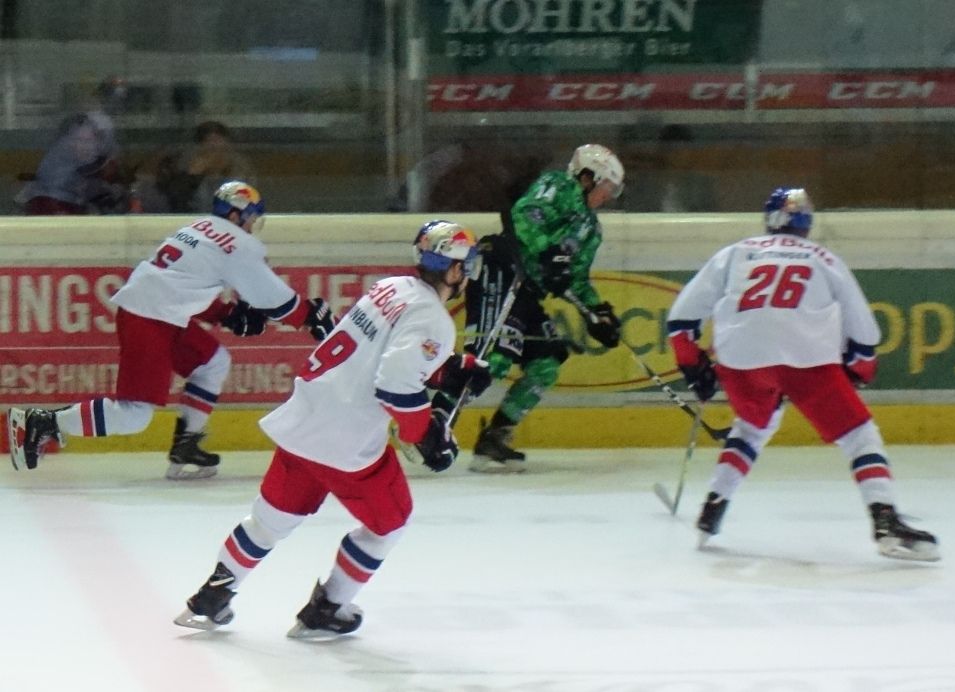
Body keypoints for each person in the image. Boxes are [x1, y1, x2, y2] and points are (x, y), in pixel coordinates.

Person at [172, 220, 491, 639]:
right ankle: (326, 609)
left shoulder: (390, 288)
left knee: (268, 522)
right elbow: (395, 384)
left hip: (304, 419)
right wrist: (428, 436)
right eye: (466, 265)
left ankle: (209, 598)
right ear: (454, 269)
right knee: (389, 524)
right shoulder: (434, 320)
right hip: (347, 442)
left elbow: (375, 355)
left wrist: (447, 369)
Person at [666, 187, 939, 562]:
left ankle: (712, 509)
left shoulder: (735, 252)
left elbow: (681, 318)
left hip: (742, 361)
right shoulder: (824, 258)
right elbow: (864, 333)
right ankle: (885, 520)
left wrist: (691, 362)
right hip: (808, 361)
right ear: (806, 222)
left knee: (753, 427)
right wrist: (860, 366)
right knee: (859, 436)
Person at [7, 181, 335, 480]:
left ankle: (186, 444)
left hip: (157, 313)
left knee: (213, 362)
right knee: (134, 416)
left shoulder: (199, 228)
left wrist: (225, 313)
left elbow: (178, 285)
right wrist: (309, 316)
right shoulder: (237, 243)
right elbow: (278, 302)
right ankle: (41, 423)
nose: (252, 226)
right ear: (236, 214)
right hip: (150, 318)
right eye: (251, 218)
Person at [460, 144, 624, 473]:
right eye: (605, 186)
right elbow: (524, 217)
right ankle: (429, 416)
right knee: (494, 359)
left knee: (546, 363)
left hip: (528, 291)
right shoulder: (558, 186)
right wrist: (550, 254)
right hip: (505, 270)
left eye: (612, 191)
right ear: (587, 177)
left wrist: (598, 312)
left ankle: (495, 436)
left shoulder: (591, 231)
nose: (607, 196)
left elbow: (575, 279)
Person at [17, 78, 128, 215]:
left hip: (66, 198)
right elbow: (93, 166)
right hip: (53, 200)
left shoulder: (96, 122)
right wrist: (113, 180)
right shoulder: (95, 122)